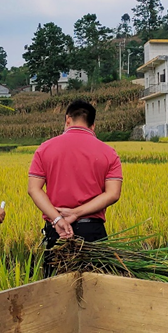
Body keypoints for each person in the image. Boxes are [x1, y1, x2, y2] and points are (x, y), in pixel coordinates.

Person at [27, 100, 122, 274]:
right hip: (92, 232)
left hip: (57, 231)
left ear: (67, 120)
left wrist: (57, 219)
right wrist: (76, 213)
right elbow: (113, 194)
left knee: (55, 292)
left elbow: (33, 189)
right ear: (93, 125)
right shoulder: (109, 153)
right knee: (96, 291)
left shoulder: (44, 149)